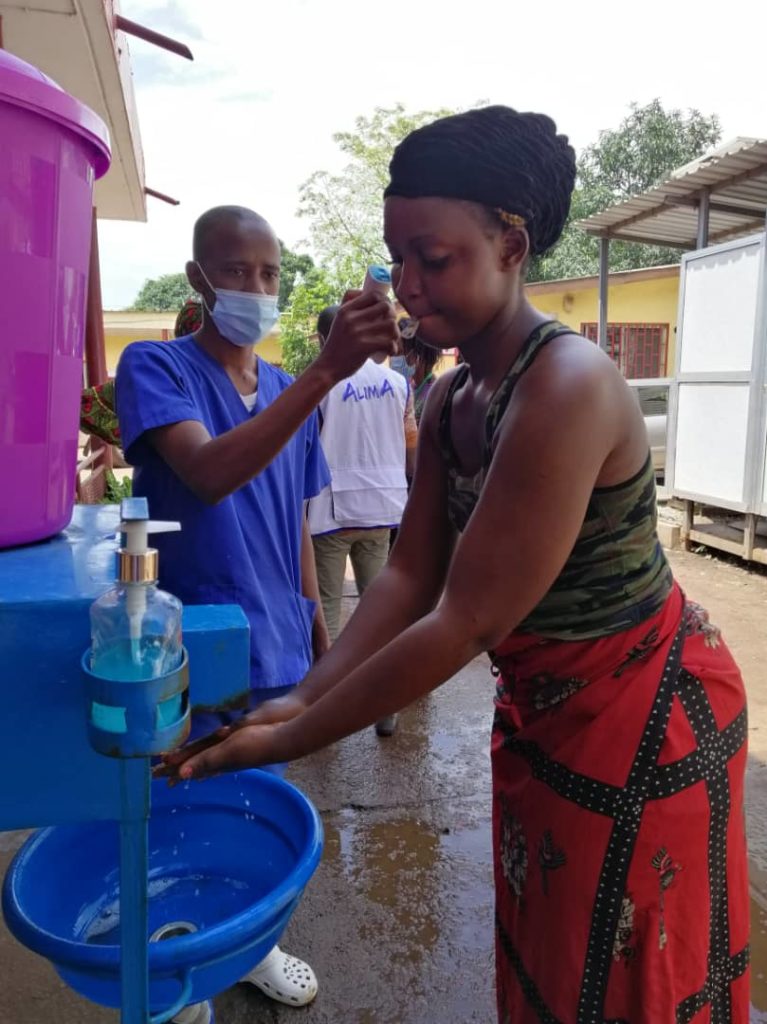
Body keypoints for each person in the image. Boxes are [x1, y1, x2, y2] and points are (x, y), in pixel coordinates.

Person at [159, 113, 749, 1023]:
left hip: (637, 712)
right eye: (397, 258)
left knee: (622, 972)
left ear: (511, 245)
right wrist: (303, 692)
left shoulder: (565, 386)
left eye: (431, 259)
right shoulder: (446, 397)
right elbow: (407, 578)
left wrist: (290, 738)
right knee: (553, 952)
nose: (406, 284)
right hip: (544, 709)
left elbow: (466, 619)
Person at [116, 204, 398, 1013]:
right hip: (187, 645)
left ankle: (245, 946)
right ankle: (180, 963)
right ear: (198, 279)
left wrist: (316, 625)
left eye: (269, 272)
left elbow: (297, 520)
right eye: (236, 271)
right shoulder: (157, 367)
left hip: (275, 645)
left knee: (250, 809)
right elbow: (208, 473)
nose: (256, 286)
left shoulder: (285, 393)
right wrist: (324, 372)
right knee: (177, 807)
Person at [308, 304, 416, 737]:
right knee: (381, 614)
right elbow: (411, 445)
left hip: (333, 510)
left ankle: (323, 713)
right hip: (384, 508)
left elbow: (304, 447)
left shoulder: (321, 384)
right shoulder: (398, 384)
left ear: (325, 340)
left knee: (327, 613)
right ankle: (385, 709)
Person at [402, 334, 441, 424]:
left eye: (403, 353)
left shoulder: (433, 394)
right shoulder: (409, 385)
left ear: (416, 357)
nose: (398, 358)